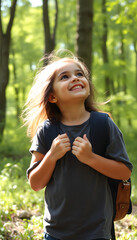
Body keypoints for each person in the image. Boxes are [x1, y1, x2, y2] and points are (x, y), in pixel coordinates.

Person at [23, 51, 133, 240]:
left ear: (88, 87)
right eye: (65, 77)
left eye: (79, 74)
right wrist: (51, 156)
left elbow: (124, 172)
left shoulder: (103, 124)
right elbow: (35, 183)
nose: (75, 78)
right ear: (52, 97)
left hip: (97, 231)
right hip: (56, 231)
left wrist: (91, 158)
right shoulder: (47, 130)